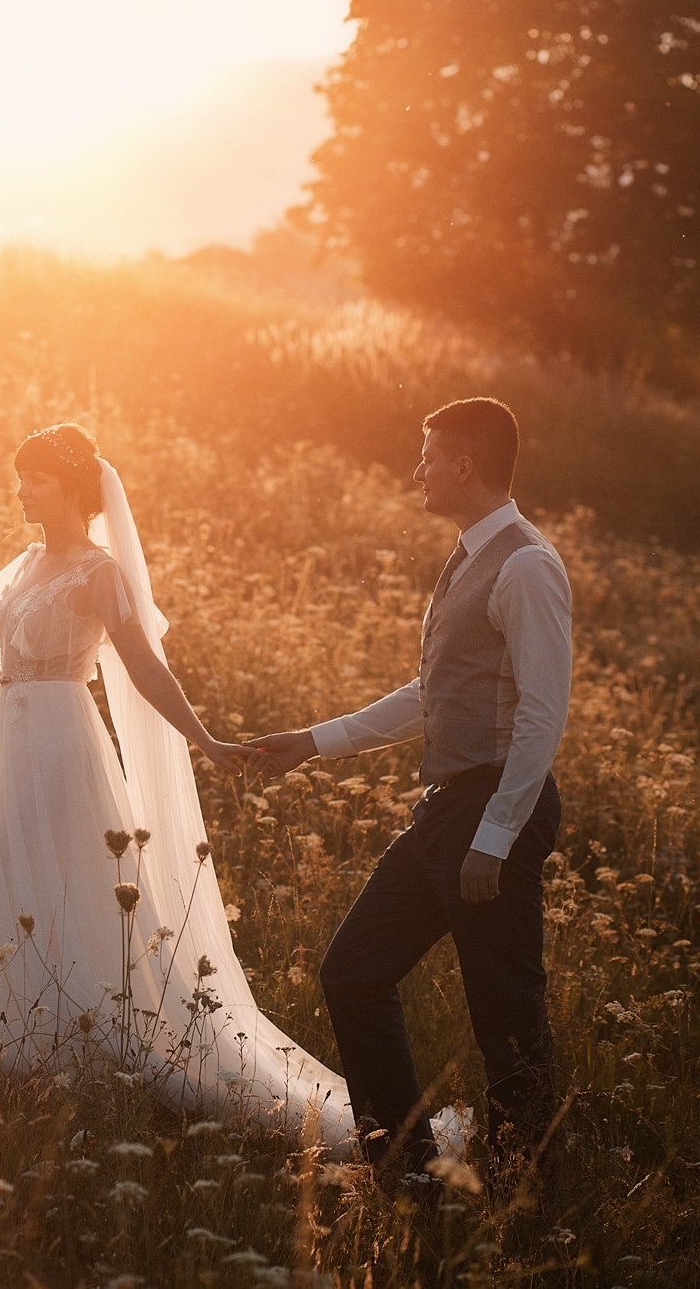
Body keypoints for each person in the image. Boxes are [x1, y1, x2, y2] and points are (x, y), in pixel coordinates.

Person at [0, 422, 408, 1150]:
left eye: (32, 477)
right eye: (19, 475)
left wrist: (204, 739)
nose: (19, 488)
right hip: (7, 737)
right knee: (4, 881)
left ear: (69, 485)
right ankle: (22, 1050)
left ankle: (90, 1050)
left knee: (68, 890)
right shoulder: (27, 562)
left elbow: (143, 667)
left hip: (63, 742)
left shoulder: (99, 572)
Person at [249, 398, 571, 1180]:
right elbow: (432, 689)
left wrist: (493, 837)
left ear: (464, 465)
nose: (416, 471)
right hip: (445, 809)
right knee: (352, 970)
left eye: (427, 457)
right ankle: (403, 1164)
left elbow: (541, 712)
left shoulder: (526, 564)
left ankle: (527, 1192)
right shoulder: (466, 555)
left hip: (492, 809)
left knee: (505, 1016)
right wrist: (313, 742)